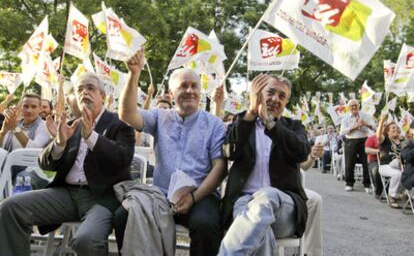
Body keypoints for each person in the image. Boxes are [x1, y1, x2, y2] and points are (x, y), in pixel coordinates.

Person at [0, 72, 135, 256]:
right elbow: (44, 164)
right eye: (80, 89)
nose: (84, 92)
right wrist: (59, 143)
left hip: (102, 198)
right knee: (10, 207)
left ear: (102, 96)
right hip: (66, 194)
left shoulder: (119, 124)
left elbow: (122, 158)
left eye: (90, 88)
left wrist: (91, 137)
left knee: (86, 241)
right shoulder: (70, 124)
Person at [116, 49, 226, 256]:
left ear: (201, 91)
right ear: (171, 93)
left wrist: (193, 198)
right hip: (161, 195)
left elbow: (220, 168)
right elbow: (127, 114)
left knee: (207, 226)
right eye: (183, 86)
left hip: (200, 197)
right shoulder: (160, 116)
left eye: (194, 86)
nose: (189, 90)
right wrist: (134, 74)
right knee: (124, 215)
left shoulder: (215, 124)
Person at [219, 74, 310, 255]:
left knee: (267, 196)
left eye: (282, 96)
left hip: (284, 207)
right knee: (261, 231)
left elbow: (301, 152)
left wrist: (270, 123)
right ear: (258, 94)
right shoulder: (241, 121)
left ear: (286, 102)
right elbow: (229, 152)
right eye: (271, 92)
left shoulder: (293, 126)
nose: (276, 99)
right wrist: (251, 114)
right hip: (244, 202)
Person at [340, 99, 375, 192]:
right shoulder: (345, 118)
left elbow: (374, 127)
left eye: (355, 105)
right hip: (350, 141)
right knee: (349, 163)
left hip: (364, 140)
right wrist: (353, 127)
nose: (354, 107)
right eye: (352, 106)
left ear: (359, 106)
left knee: (366, 163)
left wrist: (365, 124)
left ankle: (367, 184)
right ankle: (349, 183)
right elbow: (342, 132)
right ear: (349, 107)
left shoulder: (365, 116)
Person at [300, 143, 324, 256]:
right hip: (254, 188)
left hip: (285, 187)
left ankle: (310, 253)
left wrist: (312, 157)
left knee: (315, 200)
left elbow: (303, 166)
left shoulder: (288, 130)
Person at [377, 116, 403, 208]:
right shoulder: (385, 140)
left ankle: (407, 195)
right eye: (393, 128)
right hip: (385, 167)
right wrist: (381, 121)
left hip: (401, 166)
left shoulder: (402, 141)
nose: (396, 129)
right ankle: (392, 196)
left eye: (397, 128)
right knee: (397, 174)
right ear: (388, 132)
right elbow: (378, 135)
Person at [365, 133, 383, 198]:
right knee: (376, 170)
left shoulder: (390, 138)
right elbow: (367, 150)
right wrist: (380, 151)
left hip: (387, 161)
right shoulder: (372, 138)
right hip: (374, 160)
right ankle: (379, 191)